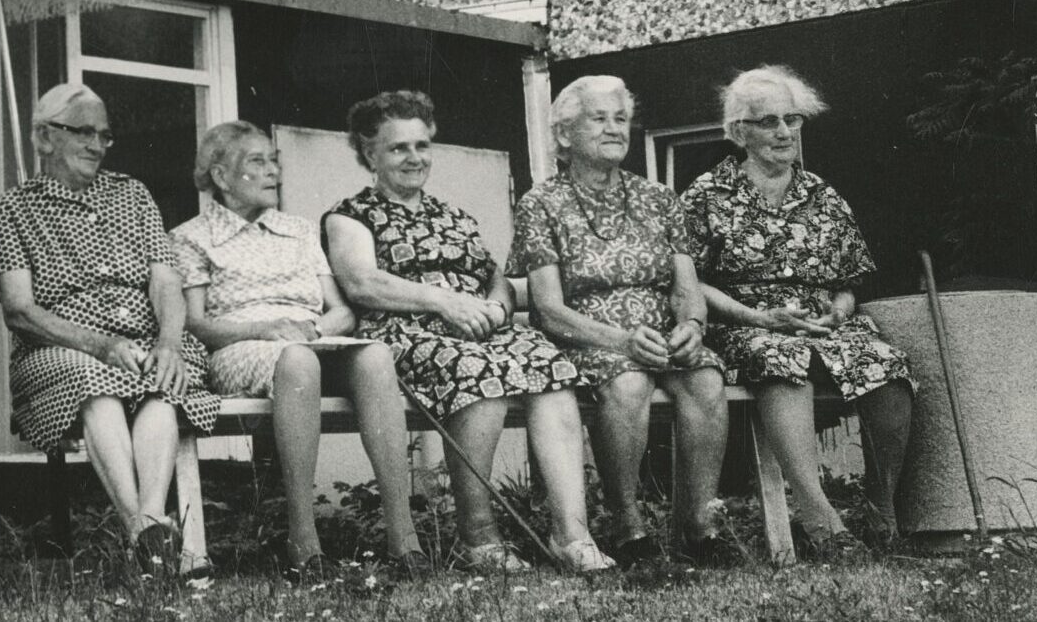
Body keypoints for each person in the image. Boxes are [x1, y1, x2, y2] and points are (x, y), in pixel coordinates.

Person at [323, 90, 612, 574]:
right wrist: (444, 300)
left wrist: (498, 308)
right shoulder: (350, 216)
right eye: (399, 148)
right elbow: (362, 283)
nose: (414, 158)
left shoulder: (452, 215)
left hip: (478, 326)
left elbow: (492, 275)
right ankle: (476, 537)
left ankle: (571, 534)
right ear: (369, 153)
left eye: (422, 146)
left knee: (551, 368)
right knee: (478, 372)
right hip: (406, 332)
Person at [0, 81, 213, 579]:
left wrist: (170, 342)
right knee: (96, 384)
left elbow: (166, 281)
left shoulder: (133, 194)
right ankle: (146, 531)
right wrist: (100, 345)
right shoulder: (13, 210)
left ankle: (147, 529)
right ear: (44, 139)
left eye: (104, 135)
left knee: (163, 385)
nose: (96, 145)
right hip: (61, 348)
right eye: (83, 132)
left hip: (148, 341)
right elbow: (19, 312)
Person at [172, 121, 424, 578]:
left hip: (310, 339)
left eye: (275, 161)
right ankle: (303, 540)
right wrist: (269, 329)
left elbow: (342, 312)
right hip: (242, 347)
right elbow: (196, 324)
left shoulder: (299, 230)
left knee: (373, 356)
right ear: (221, 176)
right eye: (258, 162)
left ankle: (403, 538)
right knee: (298, 360)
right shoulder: (191, 237)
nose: (273, 172)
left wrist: (311, 328)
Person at [684, 64, 914, 558]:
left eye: (792, 119)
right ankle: (821, 519)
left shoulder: (822, 195)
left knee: (888, 366)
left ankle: (880, 513)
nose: (784, 131)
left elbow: (850, 279)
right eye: (768, 121)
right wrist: (756, 316)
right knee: (780, 359)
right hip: (745, 323)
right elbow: (689, 281)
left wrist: (839, 308)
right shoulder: (707, 195)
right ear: (738, 132)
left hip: (822, 323)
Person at [511, 77, 735, 567]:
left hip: (663, 335)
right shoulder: (541, 203)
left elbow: (685, 285)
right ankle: (627, 521)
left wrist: (693, 326)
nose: (614, 129)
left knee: (706, 378)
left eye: (621, 119)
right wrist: (621, 340)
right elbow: (548, 309)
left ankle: (698, 522)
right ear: (565, 135)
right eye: (599, 118)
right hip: (590, 337)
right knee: (629, 383)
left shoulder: (659, 199)